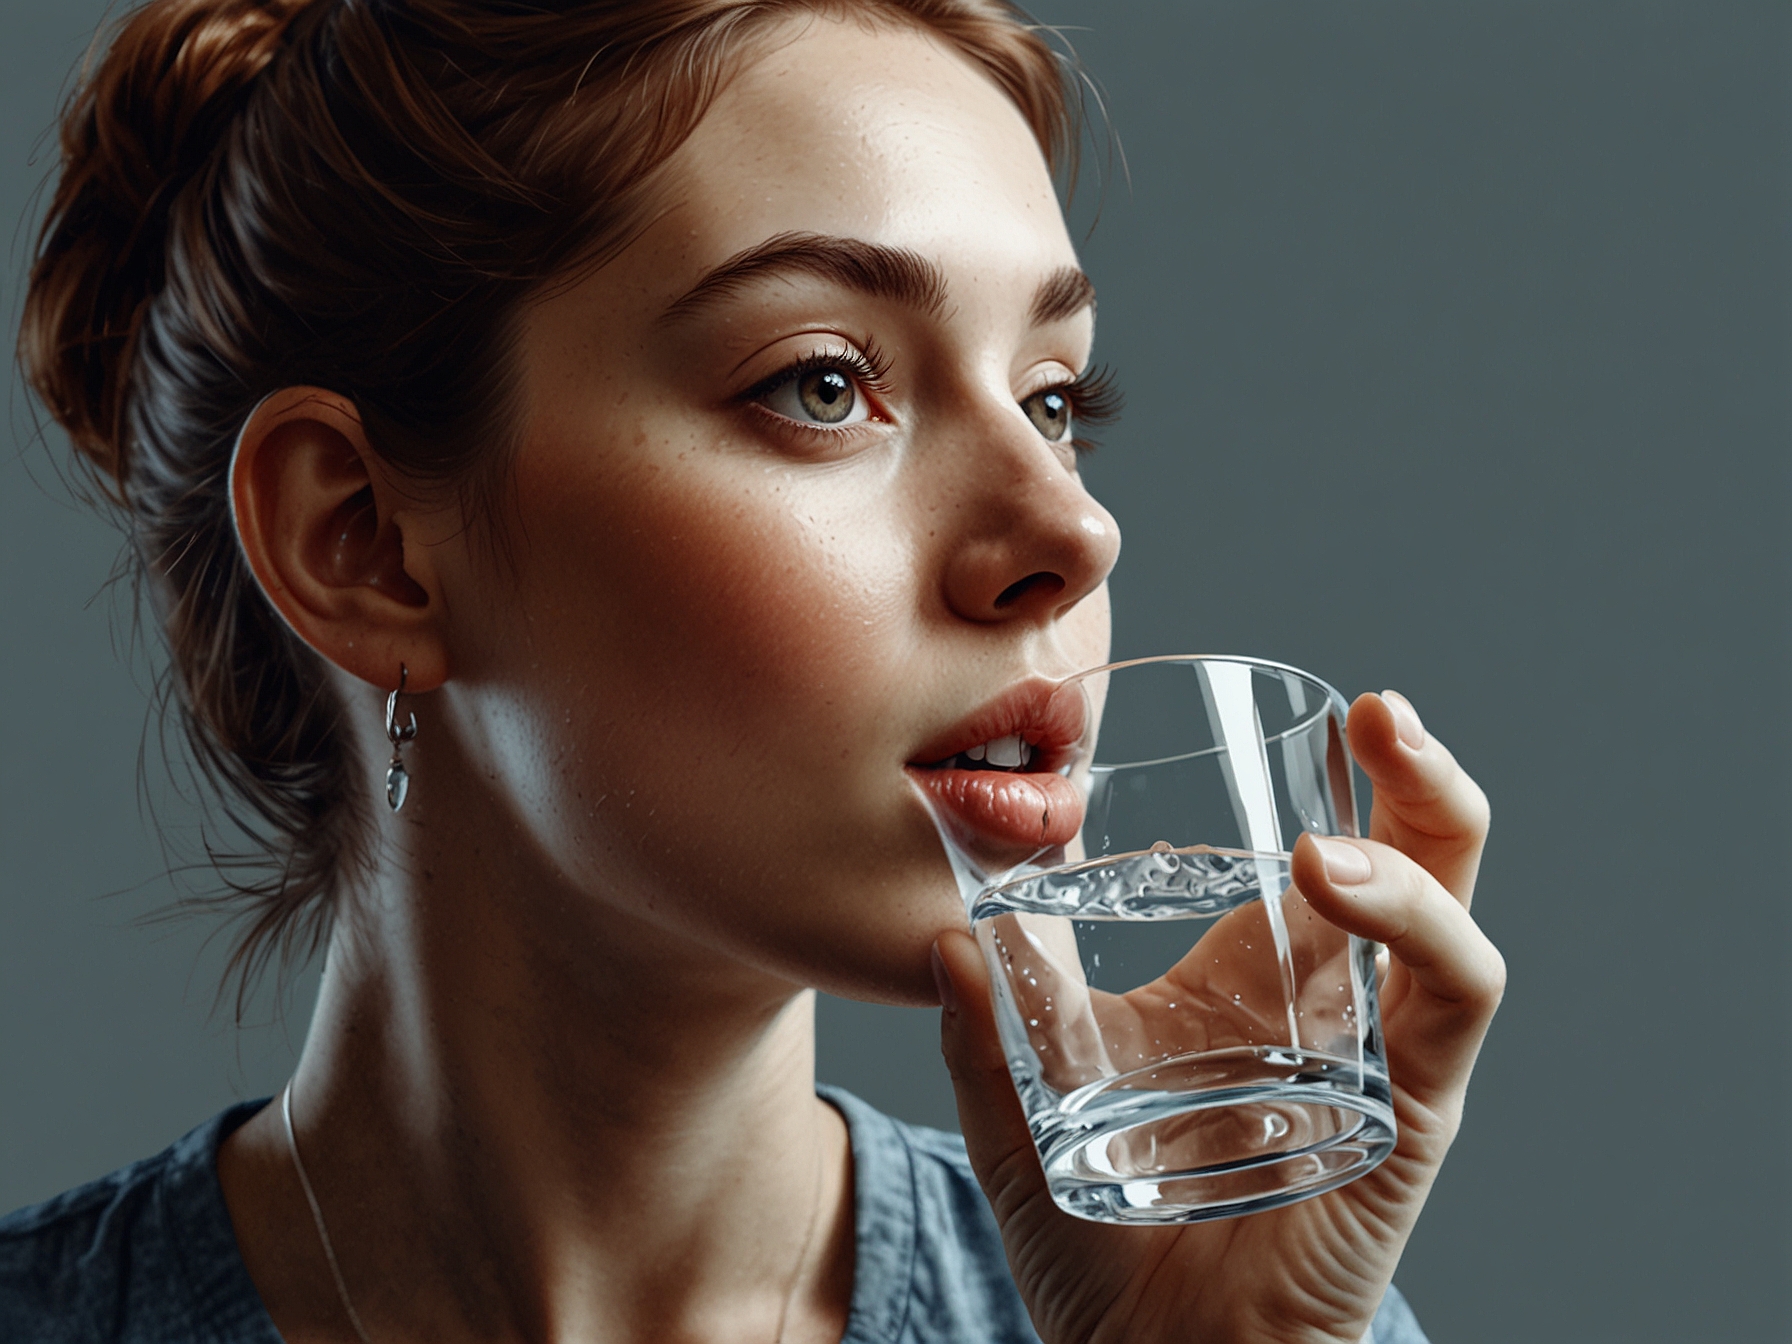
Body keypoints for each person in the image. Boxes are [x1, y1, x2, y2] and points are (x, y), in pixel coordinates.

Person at [0, 1, 1504, 1340]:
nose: (1073, 530)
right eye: (825, 383)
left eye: (1052, 397)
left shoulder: (1208, 1307)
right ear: (362, 545)